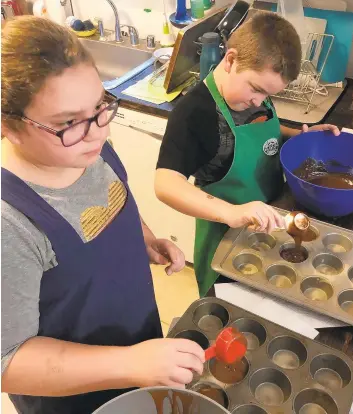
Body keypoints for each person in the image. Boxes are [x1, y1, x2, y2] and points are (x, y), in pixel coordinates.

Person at [1, 16, 205, 414]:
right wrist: (130, 364)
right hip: (77, 398)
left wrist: (143, 237)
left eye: (100, 108)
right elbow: (9, 361)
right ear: (9, 125)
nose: (98, 132)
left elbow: (113, 201)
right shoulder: (10, 221)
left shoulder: (86, 147)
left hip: (138, 346)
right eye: (68, 122)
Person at [155, 11, 340, 297]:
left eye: (268, 95)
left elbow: (259, 133)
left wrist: (301, 135)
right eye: (256, 89)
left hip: (270, 225)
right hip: (227, 242)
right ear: (230, 60)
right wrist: (233, 212)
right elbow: (165, 184)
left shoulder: (251, 96)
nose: (259, 101)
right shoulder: (194, 113)